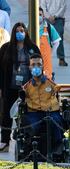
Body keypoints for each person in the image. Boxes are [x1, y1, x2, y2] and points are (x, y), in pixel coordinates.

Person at [0, 22, 41, 151]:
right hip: (10, 87)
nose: (20, 33)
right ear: (13, 33)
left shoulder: (32, 48)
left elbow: (39, 64)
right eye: (17, 31)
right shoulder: (6, 48)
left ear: (26, 32)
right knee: (6, 113)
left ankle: (28, 140)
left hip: (28, 87)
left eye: (22, 30)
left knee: (28, 113)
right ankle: (4, 141)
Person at [23, 53, 63, 144]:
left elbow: (57, 89)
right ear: (29, 67)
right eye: (33, 65)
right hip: (34, 112)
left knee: (56, 123)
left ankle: (57, 147)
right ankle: (33, 149)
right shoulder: (27, 86)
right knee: (33, 127)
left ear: (42, 66)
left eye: (39, 65)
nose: (36, 67)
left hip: (51, 112)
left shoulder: (50, 82)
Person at [40, 0, 68, 66]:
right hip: (47, 19)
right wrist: (48, 16)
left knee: (59, 38)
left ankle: (61, 58)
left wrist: (55, 16)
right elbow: (43, 7)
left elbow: (63, 7)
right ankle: (44, 57)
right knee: (45, 38)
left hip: (59, 19)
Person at [39, 7, 61, 80]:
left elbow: (57, 42)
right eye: (37, 14)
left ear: (43, 16)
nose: (38, 16)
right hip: (33, 61)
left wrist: (50, 53)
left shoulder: (48, 27)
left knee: (47, 82)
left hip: (46, 62)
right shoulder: (29, 27)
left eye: (40, 14)